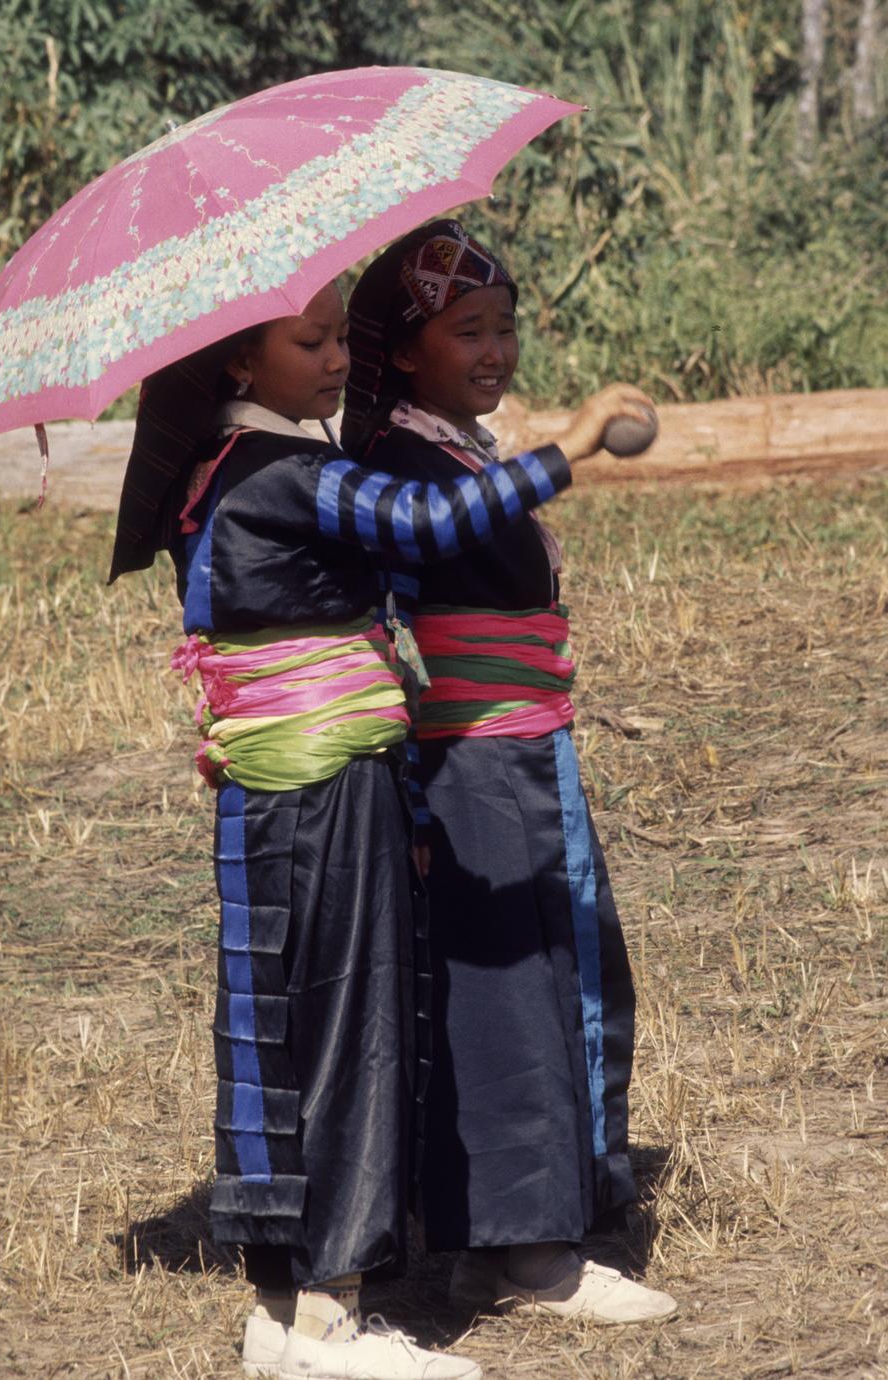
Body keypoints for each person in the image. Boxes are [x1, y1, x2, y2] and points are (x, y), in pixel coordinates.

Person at [117, 278, 648, 1380]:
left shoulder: (241, 472)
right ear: (234, 367)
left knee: (333, 1023)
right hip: (307, 800)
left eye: (331, 338)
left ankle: (328, 1301)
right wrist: (574, 443)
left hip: (328, 789)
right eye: (307, 343)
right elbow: (430, 521)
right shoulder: (278, 476)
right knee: (328, 1032)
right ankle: (308, 1319)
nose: (333, 360)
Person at [343, 221, 677, 1327]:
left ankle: (529, 1233)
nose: (494, 351)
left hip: (522, 747)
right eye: (466, 332)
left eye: (505, 329)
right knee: (508, 991)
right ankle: (531, 1249)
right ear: (401, 351)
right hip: (474, 756)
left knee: (560, 971)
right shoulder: (401, 463)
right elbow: (442, 540)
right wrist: (570, 445)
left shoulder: (450, 443)